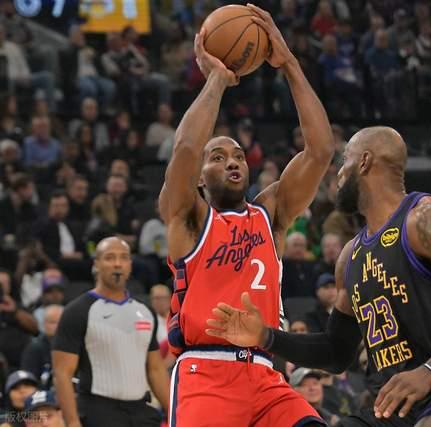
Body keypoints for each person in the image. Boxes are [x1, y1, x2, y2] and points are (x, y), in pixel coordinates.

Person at [207, 126, 431, 426]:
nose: (338, 173)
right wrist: (265, 336)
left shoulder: (426, 220)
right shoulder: (349, 257)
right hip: (395, 405)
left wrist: (430, 371)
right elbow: (336, 352)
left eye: (344, 161)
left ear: (364, 162)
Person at [159, 6, 335, 427]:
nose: (232, 161)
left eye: (238, 155)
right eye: (218, 157)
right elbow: (186, 149)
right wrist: (218, 79)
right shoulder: (187, 218)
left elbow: (320, 151)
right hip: (207, 372)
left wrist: (288, 63)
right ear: (199, 178)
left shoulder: (269, 214)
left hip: (266, 374)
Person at [52, 237, 169, 427]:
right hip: (98, 412)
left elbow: (155, 369)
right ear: (96, 264)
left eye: (123, 257)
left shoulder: (145, 312)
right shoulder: (77, 311)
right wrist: (72, 422)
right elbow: (62, 373)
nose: (117, 263)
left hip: (141, 411)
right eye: (109, 257)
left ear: (130, 265)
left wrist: (175, 413)